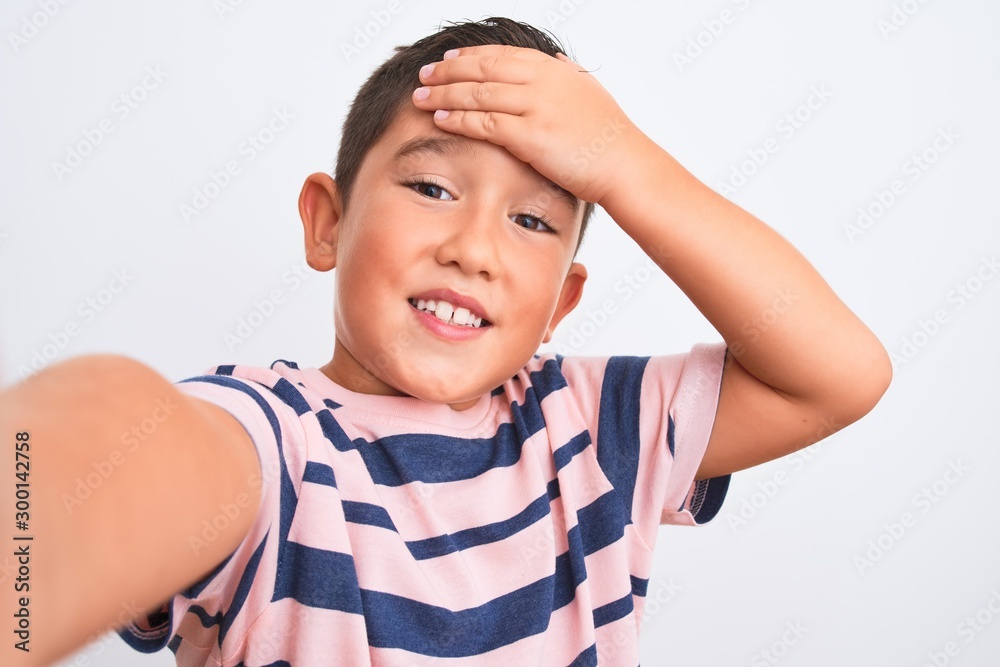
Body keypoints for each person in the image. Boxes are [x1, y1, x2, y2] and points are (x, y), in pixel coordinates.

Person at [0, 16, 891, 667]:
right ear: (327, 223)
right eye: (431, 188)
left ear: (560, 305)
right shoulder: (277, 441)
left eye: (535, 220)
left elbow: (838, 374)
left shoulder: (591, 430)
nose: (474, 248)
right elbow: (117, 445)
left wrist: (627, 163)